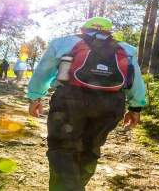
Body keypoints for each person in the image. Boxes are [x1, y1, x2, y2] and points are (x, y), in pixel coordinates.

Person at [27, 17, 146, 191]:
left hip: (70, 99)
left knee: (62, 148)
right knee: (90, 149)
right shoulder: (126, 49)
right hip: (111, 103)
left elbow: (43, 70)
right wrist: (136, 108)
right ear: (109, 31)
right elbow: (136, 82)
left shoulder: (63, 43)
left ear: (83, 29)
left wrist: (35, 96)